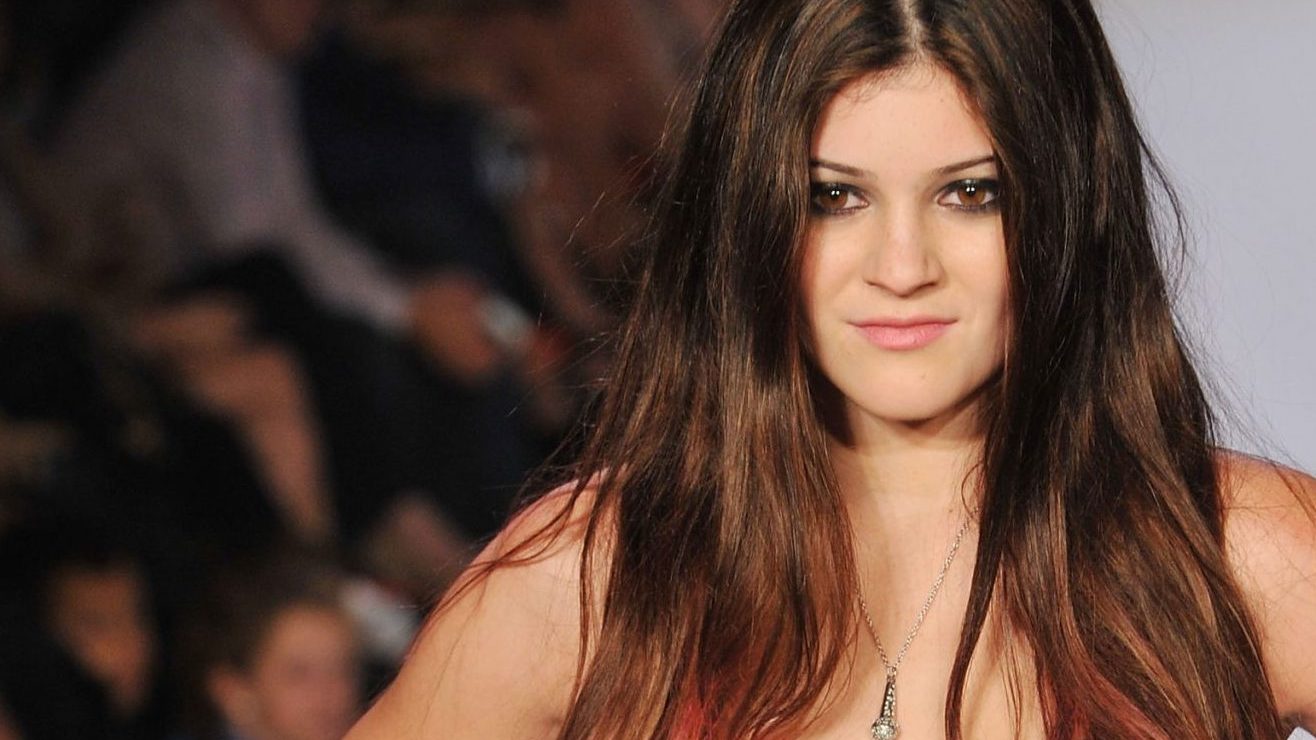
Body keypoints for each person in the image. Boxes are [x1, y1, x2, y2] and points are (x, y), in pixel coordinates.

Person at [346, 0, 1316, 737]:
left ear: (1068, 206)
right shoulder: (597, 578)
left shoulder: (1239, 556)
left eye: (970, 193)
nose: (901, 266)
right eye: (833, 198)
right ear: (751, 218)